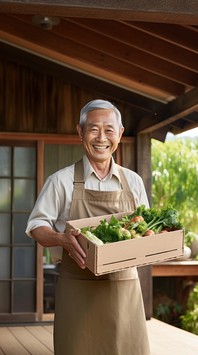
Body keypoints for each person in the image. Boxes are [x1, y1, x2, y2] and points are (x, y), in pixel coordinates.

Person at [26, 99, 150, 355]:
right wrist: (61, 239)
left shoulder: (134, 182)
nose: (101, 137)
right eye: (93, 129)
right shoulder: (61, 181)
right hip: (78, 290)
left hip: (124, 291)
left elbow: (145, 230)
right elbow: (37, 226)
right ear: (80, 132)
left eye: (109, 129)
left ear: (120, 133)